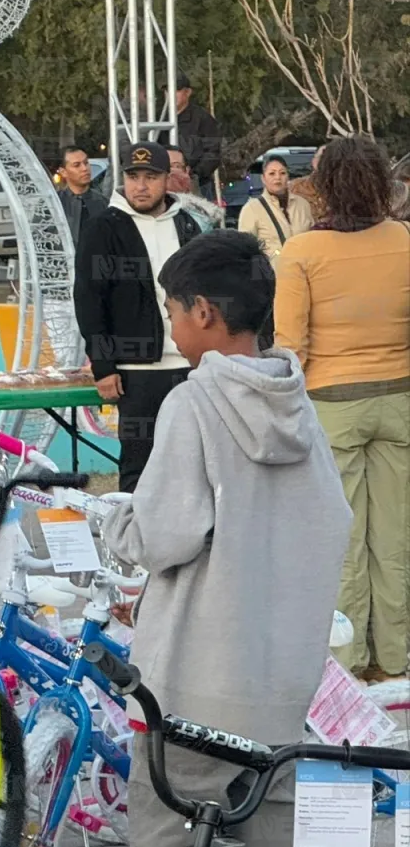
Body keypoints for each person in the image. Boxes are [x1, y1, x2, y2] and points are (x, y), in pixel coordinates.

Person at [105, 230, 350, 847]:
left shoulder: (194, 403)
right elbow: (331, 517)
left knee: (168, 823)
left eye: (172, 313)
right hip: (280, 679)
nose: (172, 329)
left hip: (196, 687)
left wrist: (115, 521)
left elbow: (163, 535)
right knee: (275, 818)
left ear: (203, 312)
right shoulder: (296, 403)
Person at [274, 136, 410, 683]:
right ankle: (398, 656)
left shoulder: (302, 252)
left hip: (331, 405)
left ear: (323, 187)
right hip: (399, 399)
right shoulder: (404, 239)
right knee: (395, 537)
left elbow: (290, 346)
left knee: (344, 541)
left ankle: (350, 662)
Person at [73, 142, 201, 492]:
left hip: (190, 368)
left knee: (193, 466)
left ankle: (194, 544)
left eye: (150, 176)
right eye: (133, 176)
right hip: (136, 371)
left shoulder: (188, 225)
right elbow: (89, 298)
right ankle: (135, 546)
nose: (140, 185)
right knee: (139, 470)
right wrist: (104, 364)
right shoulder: (104, 227)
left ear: (166, 179)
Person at [237, 153, 313, 264]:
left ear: (288, 176)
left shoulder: (302, 204)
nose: (277, 177)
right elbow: (245, 248)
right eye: (272, 174)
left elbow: (312, 239)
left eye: (282, 173)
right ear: (263, 178)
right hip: (272, 275)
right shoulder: (252, 209)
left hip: (304, 271)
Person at [165, 71, 222, 201]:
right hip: (165, 184)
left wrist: (194, 175)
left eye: (177, 90)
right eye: (168, 91)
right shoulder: (159, 119)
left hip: (198, 186)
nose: (171, 95)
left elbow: (213, 153)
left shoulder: (203, 119)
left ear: (188, 92)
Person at [56, 144, 108, 248]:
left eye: (86, 163)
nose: (84, 168)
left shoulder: (104, 203)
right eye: (77, 165)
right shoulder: (54, 204)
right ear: (63, 172)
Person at [165, 148, 224, 233]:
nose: (171, 172)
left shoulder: (201, 216)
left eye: (176, 166)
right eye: (166, 166)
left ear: (187, 171)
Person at [289, 144, 327, 221]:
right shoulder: (294, 188)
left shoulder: (346, 191)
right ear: (314, 161)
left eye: (330, 158)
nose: (325, 161)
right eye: (322, 157)